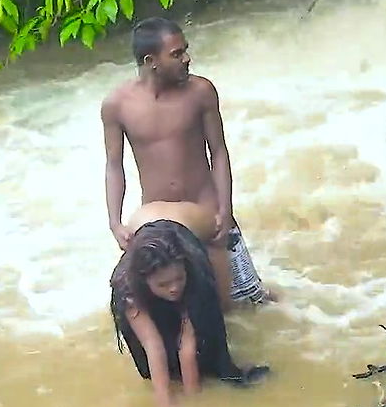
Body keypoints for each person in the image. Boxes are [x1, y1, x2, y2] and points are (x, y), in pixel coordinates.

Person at [101, 17, 270, 310]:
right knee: (171, 309)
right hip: (159, 222)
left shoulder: (201, 92)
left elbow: (218, 151)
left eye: (185, 50)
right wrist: (115, 222)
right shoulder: (117, 105)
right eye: (177, 54)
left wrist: (225, 210)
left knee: (246, 307)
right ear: (151, 61)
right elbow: (114, 166)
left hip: (209, 215)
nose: (187, 58)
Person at [110, 214, 270, 407]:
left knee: (211, 361)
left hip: (184, 244)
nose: (174, 287)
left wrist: (196, 405)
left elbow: (187, 345)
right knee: (156, 373)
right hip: (140, 287)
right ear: (145, 281)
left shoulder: (193, 275)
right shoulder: (129, 290)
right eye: (163, 284)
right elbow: (152, 345)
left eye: (178, 279)